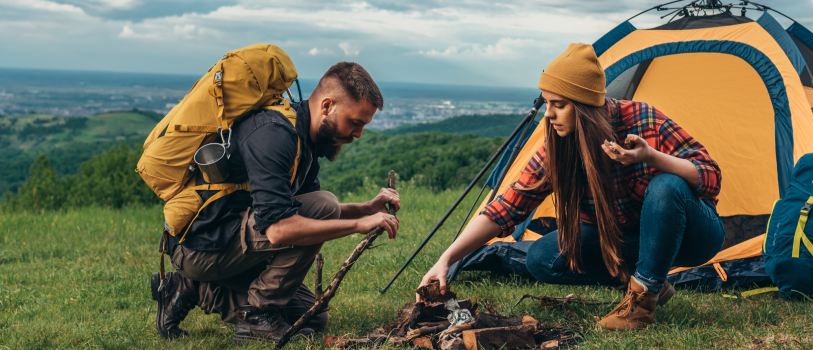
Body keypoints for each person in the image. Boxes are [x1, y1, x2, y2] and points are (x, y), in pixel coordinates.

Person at [419, 43, 725, 330]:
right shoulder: (559, 147)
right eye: (546, 103)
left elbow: (711, 176)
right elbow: (506, 208)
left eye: (559, 104)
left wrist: (651, 157)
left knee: (666, 186)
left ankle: (642, 302)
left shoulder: (641, 120)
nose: (549, 115)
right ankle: (647, 280)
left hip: (693, 235)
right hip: (625, 240)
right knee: (542, 258)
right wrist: (446, 259)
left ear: (585, 107)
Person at [151, 62, 401, 342]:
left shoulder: (304, 142)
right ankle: (258, 315)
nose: (358, 134)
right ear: (328, 106)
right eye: (355, 122)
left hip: (229, 242)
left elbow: (299, 211)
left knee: (312, 316)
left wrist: (365, 209)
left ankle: (190, 288)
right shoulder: (274, 134)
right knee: (324, 204)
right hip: (202, 246)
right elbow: (280, 229)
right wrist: (358, 224)